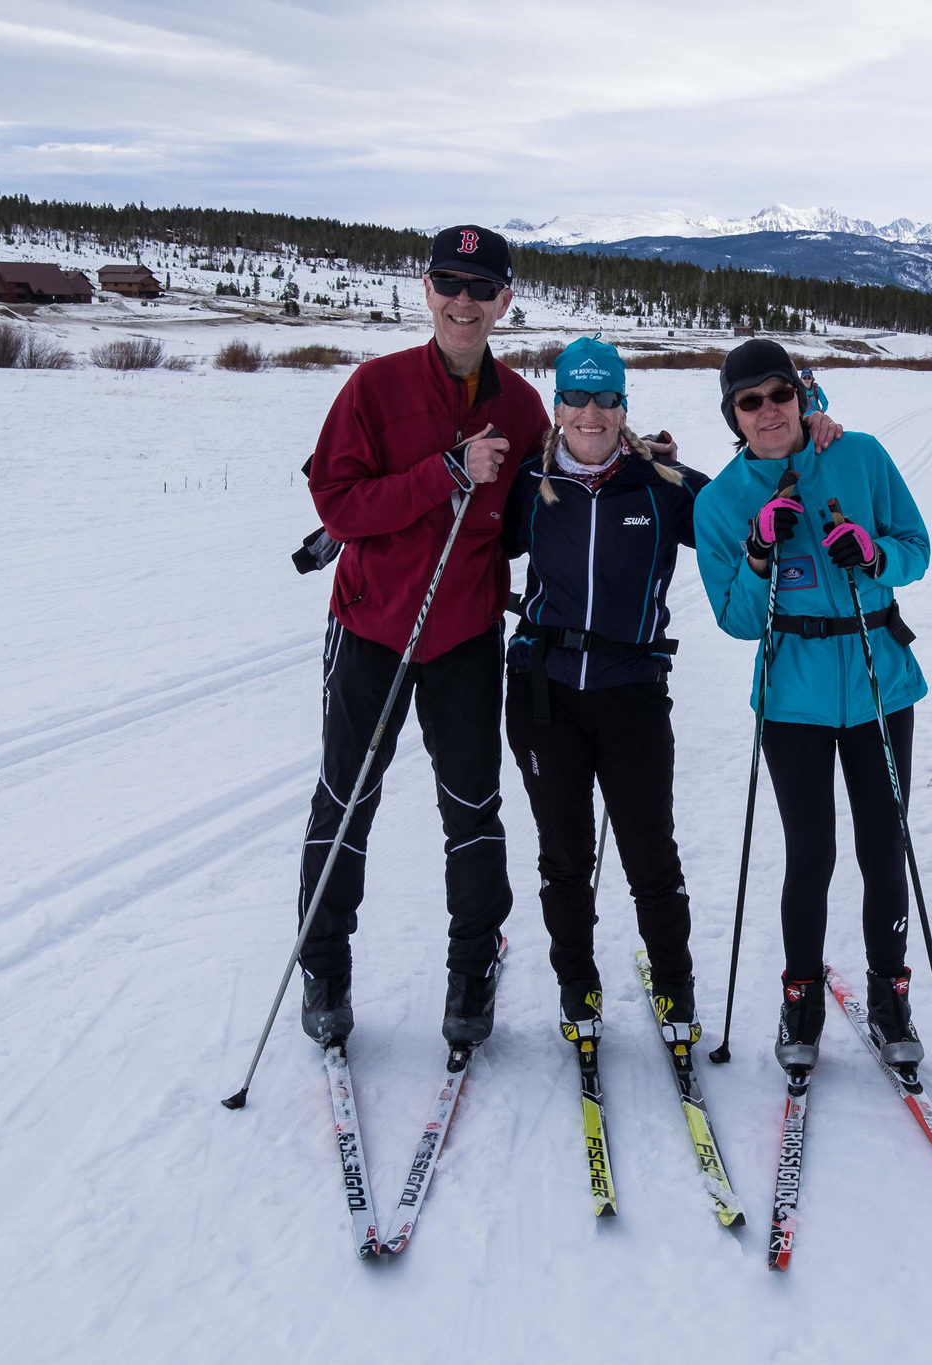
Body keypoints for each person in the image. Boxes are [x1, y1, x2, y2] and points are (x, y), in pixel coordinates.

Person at [500, 338, 844, 1045]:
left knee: (650, 853)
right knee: (562, 856)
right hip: (544, 695)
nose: (591, 414)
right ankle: (577, 988)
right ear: (557, 404)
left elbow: (746, 494)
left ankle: (675, 986)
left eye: (606, 399)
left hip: (632, 692)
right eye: (576, 398)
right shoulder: (528, 486)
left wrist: (814, 432)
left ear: (624, 404)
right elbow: (470, 537)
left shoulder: (662, 482)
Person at [295, 225, 548, 1050]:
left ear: (505, 300)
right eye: (449, 282)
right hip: (372, 625)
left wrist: (628, 458)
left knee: (473, 807)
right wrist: (443, 473)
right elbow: (337, 506)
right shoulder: (375, 387)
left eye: (481, 287)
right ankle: (324, 968)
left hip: (465, 635)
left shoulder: (521, 406)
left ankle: (470, 976)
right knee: (346, 797)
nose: (463, 301)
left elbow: (529, 517)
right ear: (426, 290)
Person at [693, 340, 931, 1076]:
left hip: (877, 683)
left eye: (779, 393)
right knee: (812, 852)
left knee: (883, 845)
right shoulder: (721, 502)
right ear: (733, 415)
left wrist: (875, 554)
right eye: (749, 400)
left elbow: (916, 548)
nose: (768, 410)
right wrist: (760, 550)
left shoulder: (857, 456)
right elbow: (736, 618)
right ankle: (802, 996)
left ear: (802, 394)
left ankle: (891, 994)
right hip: (792, 695)